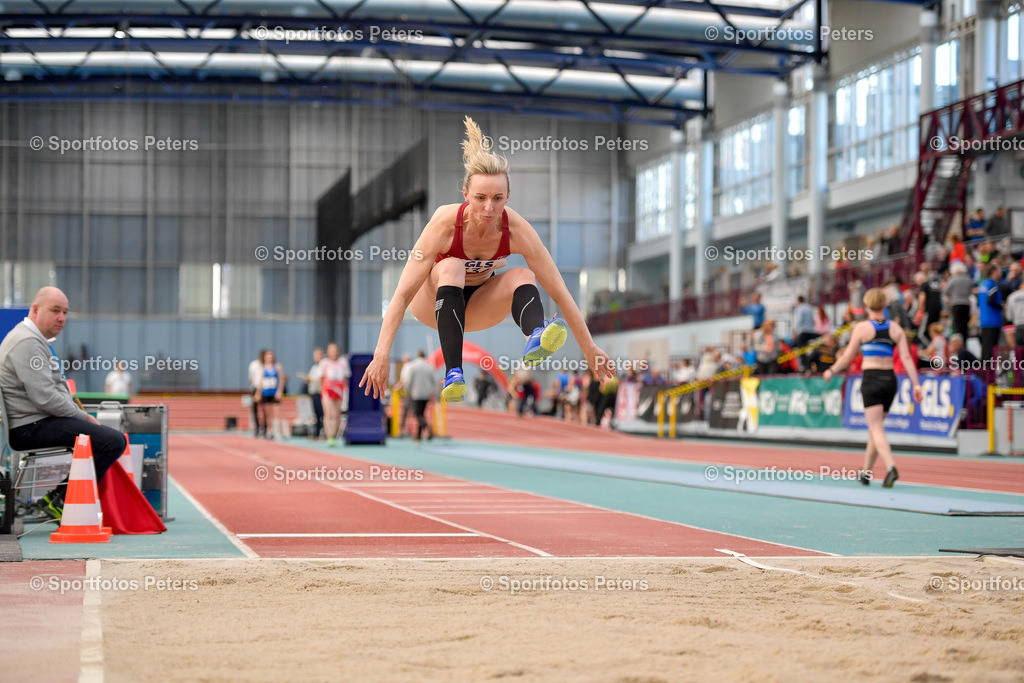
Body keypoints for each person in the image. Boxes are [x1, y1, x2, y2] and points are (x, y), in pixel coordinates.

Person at [359, 116, 614, 403]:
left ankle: (536, 334)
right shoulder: (443, 224)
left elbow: (559, 290)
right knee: (452, 265)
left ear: (508, 196)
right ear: (466, 194)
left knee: (524, 276)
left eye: (497, 198)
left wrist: (589, 347)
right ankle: (453, 371)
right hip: (430, 304)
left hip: (480, 307)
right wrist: (381, 355)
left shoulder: (517, 230)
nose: (489, 208)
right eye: (480, 198)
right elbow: (402, 294)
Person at [0, 287, 127, 519]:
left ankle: (56, 497)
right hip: (30, 428)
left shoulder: (32, 339)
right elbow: (45, 398)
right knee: (113, 441)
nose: (62, 318)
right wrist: (84, 417)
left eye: (65, 312)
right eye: (55, 310)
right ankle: (65, 502)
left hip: (36, 422)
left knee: (107, 438)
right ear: (36, 310)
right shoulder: (26, 342)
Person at [824, 288, 923, 488]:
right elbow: (906, 358)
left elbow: (848, 356)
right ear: (884, 305)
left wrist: (831, 370)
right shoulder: (896, 329)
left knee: (876, 427)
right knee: (875, 429)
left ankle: (891, 468)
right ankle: (866, 472)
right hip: (890, 380)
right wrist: (916, 384)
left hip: (871, 379)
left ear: (867, 306)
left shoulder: (862, 328)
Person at [402, 350, 436, 442]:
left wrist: (407, 391)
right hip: (426, 394)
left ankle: (427, 427)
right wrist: (432, 392)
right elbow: (433, 381)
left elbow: (409, 380)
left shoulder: (413, 366)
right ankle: (418, 436)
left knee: (418, 414)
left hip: (416, 394)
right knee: (421, 413)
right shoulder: (429, 367)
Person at [320, 343, 350, 447]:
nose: (333, 352)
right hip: (327, 391)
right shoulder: (324, 363)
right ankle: (328, 436)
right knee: (328, 414)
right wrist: (323, 389)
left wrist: (345, 391)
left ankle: (333, 436)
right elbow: (321, 378)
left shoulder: (343, 362)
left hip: (339, 391)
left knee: (337, 415)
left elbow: (346, 378)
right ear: (328, 352)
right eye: (331, 350)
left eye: (335, 350)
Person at [256, 350, 287, 440]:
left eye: (271, 356)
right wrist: (258, 392)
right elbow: (260, 381)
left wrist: (280, 391)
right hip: (266, 393)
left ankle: (281, 432)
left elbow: (281, 379)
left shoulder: (277, 367)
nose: (269, 358)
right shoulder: (263, 368)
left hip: (274, 393)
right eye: (267, 356)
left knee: (278, 413)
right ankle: (270, 431)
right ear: (265, 358)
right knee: (268, 414)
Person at [978, 263, 1005, 363]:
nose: (1000, 273)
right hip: (993, 320)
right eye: (998, 270)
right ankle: (989, 375)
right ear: (993, 272)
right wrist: (1001, 306)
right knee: (991, 351)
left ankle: (984, 374)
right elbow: (991, 300)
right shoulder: (993, 284)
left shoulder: (983, 284)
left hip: (984, 320)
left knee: (985, 349)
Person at [298, 348, 325, 439]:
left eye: (319, 355)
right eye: (315, 356)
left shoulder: (324, 365)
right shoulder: (314, 367)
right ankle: (317, 433)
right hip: (314, 392)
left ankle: (324, 433)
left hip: (321, 393)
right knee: (316, 414)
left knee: (323, 414)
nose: (317, 357)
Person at [944, 262, 974, 339]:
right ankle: (964, 342)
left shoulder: (953, 279)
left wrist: (949, 301)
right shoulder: (968, 279)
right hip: (966, 304)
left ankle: (958, 342)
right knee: (965, 326)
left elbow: (946, 291)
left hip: (956, 304)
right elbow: (970, 291)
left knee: (957, 326)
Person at [248, 349, 267, 438]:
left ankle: (265, 428)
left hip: (265, 389)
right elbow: (251, 377)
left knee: (265, 410)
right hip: (255, 388)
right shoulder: (254, 365)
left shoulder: (267, 366)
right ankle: (257, 428)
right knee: (254, 409)